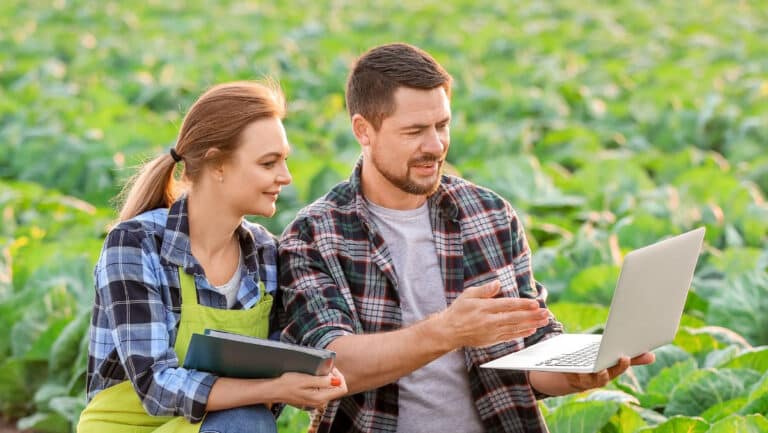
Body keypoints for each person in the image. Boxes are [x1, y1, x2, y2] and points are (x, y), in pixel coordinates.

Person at [278, 43, 654, 433]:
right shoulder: (313, 235)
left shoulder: (489, 214)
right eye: (414, 131)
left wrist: (574, 373)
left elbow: (531, 351)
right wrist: (449, 330)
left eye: (442, 125)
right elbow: (331, 364)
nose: (436, 145)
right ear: (363, 131)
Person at [77, 81, 347, 433]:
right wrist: (274, 387)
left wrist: (309, 379)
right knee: (246, 420)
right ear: (217, 164)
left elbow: (276, 369)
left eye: (285, 161)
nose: (286, 177)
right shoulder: (134, 244)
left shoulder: (265, 254)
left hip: (218, 425)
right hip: (128, 426)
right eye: (269, 163)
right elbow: (155, 386)